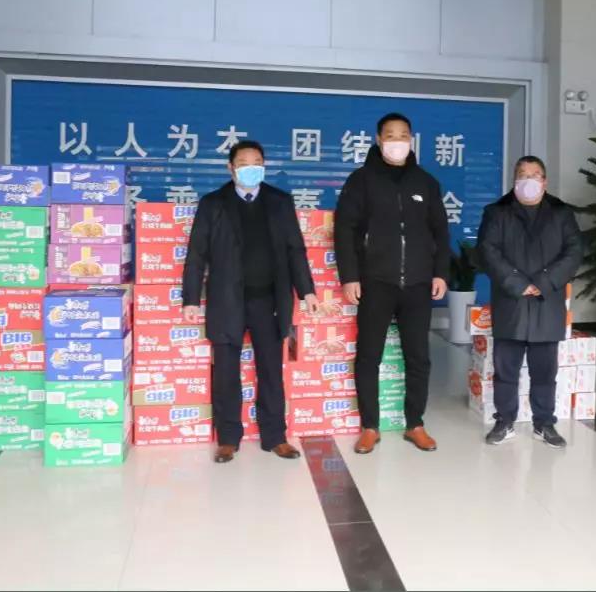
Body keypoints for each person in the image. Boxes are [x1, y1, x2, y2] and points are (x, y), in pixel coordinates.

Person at [183, 140, 320, 464]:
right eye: (244, 163)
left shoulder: (279, 201)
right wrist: (191, 299)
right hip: (226, 300)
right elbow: (197, 253)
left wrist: (307, 291)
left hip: (269, 300)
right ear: (230, 168)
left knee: (270, 370)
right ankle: (228, 438)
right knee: (226, 372)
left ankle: (275, 436)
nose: (251, 168)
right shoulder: (213, 203)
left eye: (257, 162)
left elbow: (295, 250)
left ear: (264, 165)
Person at [334, 113, 450, 455]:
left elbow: (440, 232)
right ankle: (370, 426)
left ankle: (415, 424)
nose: (397, 141)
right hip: (376, 282)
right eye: (390, 135)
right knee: (369, 355)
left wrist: (440, 272)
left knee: (419, 357)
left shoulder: (426, 182)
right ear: (378, 139)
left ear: (411, 140)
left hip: (417, 283)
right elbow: (345, 230)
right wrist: (350, 276)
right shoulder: (361, 180)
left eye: (403, 135)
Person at [477, 155, 583, 449]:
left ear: (545, 181)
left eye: (535, 175)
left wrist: (543, 282)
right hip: (511, 301)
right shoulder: (496, 212)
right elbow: (487, 250)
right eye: (523, 174)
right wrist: (518, 283)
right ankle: (505, 421)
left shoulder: (561, 213)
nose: (529, 180)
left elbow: (574, 252)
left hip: (546, 302)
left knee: (545, 372)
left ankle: (544, 423)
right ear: (514, 180)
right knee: (506, 370)